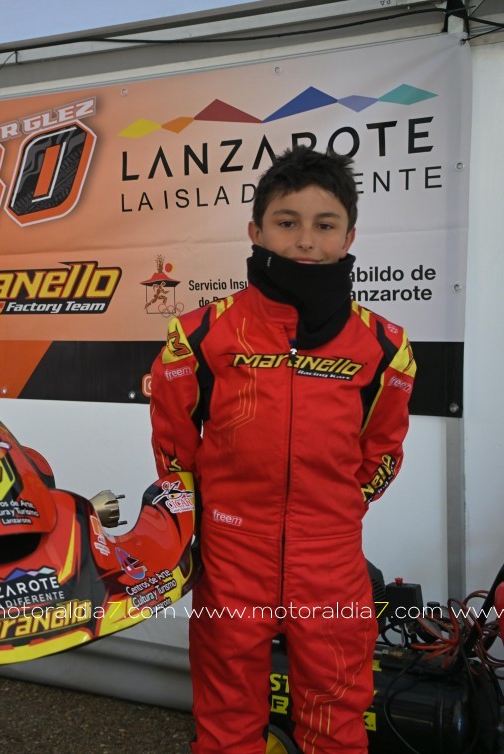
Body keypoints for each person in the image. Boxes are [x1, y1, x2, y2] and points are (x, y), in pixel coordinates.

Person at [148, 146, 416, 753]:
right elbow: (174, 445)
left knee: (339, 715)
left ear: (349, 236)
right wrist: (201, 519)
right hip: (230, 557)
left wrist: (336, 512)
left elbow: (383, 449)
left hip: (333, 563)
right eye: (286, 222)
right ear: (256, 230)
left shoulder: (383, 344)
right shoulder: (200, 333)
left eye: (324, 226)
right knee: (225, 716)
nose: (305, 240)